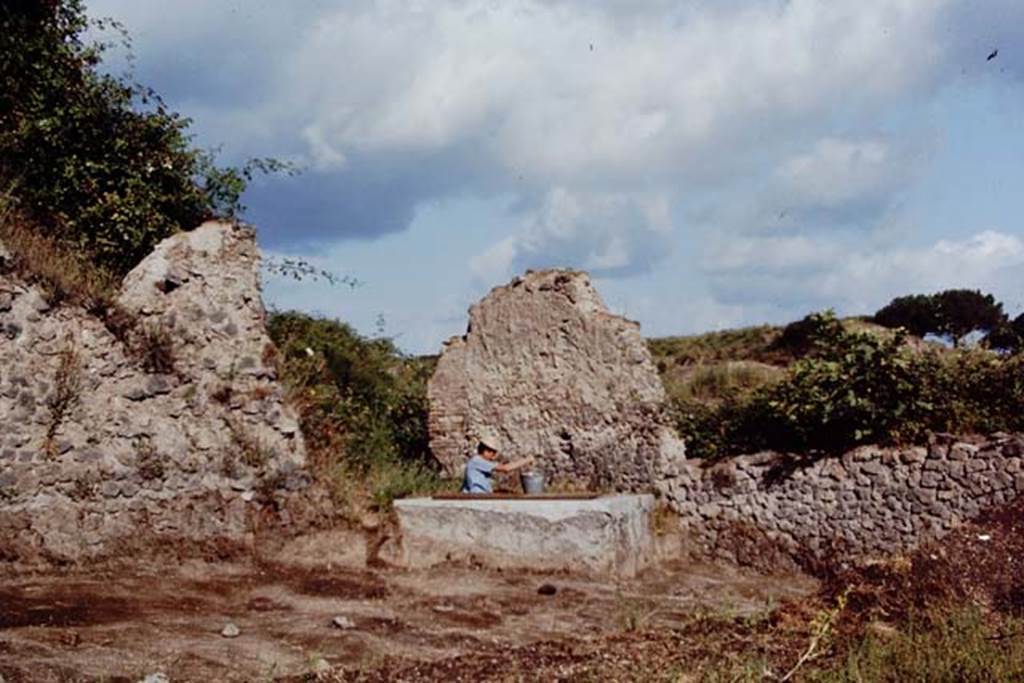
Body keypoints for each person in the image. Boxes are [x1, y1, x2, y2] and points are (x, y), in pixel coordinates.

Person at [461, 431, 534, 494]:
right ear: (486, 451)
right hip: (475, 495)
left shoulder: (477, 461)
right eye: (493, 453)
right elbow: (506, 468)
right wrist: (527, 460)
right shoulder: (477, 461)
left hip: (481, 494)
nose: (493, 457)